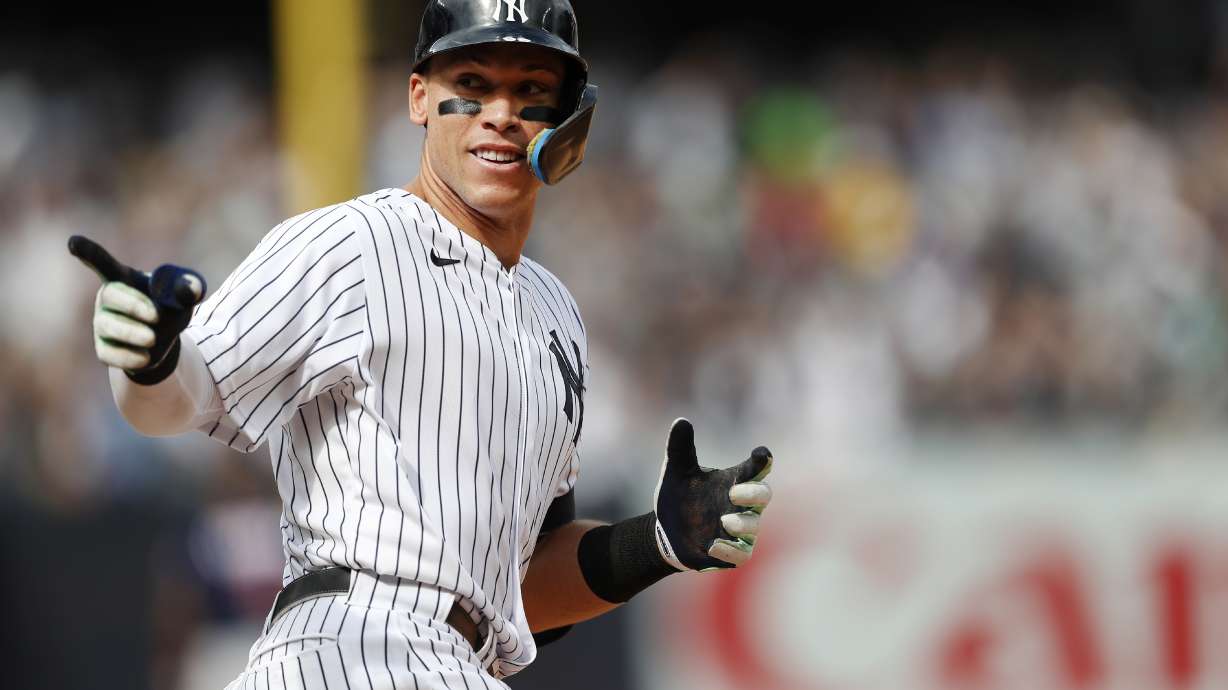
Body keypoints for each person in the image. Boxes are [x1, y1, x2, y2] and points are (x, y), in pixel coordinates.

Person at [71, 1, 774, 687]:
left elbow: (521, 589)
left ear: (569, 123)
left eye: (530, 92)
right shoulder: (352, 243)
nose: (500, 112)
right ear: (418, 98)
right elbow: (184, 396)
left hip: (458, 662)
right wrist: (149, 361)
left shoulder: (556, 313)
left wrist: (654, 543)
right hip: (352, 646)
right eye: (472, 86)